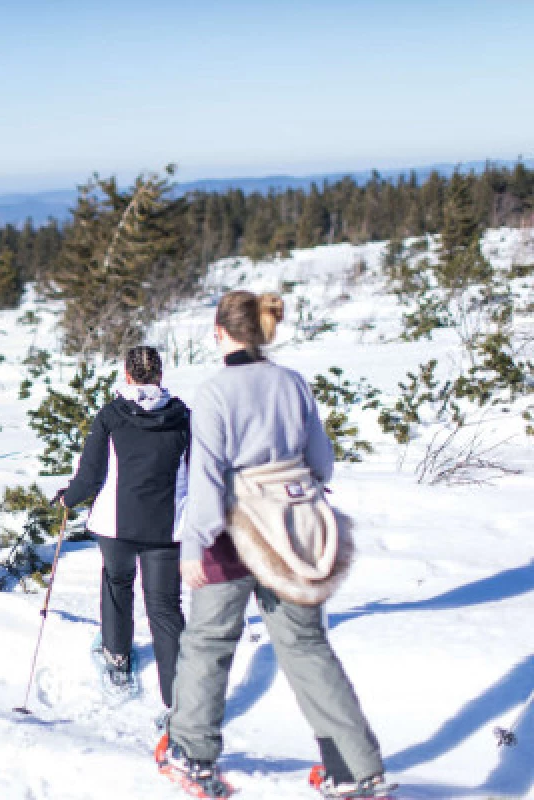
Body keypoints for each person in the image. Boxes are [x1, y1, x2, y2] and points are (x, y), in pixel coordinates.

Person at [160, 290, 392, 799]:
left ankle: (191, 755)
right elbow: (322, 463)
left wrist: (194, 543)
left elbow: (206, 476)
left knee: (209, 643)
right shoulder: (292, 382)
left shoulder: (215, 391)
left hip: (231, 528)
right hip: (292, 528)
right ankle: (354, 769)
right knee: (306, 646)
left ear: (219, 332)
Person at [57, 345, 190, 708]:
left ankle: (117, 658)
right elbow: (200, 473)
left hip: (116, 524)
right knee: (164, 606)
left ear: (127, 376)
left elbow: (90, 474)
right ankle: (179, 703)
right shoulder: (184, 418)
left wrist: (70, 498)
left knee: (117, 584)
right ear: (160, 375)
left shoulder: (111, 416)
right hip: (167, 526)